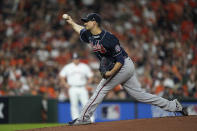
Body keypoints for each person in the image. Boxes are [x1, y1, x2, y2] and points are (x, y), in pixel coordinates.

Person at [63, 13, 188, 125]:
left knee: (101, 89)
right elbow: (79, 30)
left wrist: (110, 73)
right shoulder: (89, 34)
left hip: (122, 66)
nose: (85, 23)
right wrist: (70, 21)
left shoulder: (108, 38)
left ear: (94, 22)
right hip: (121, 66)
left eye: (87, 21)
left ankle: (84, 117)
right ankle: (173, 105)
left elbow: (120, 60)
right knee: (140, 95)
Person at [59, 52, 94, 121]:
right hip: (72, 88)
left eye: (77, 58)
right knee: (74, 105)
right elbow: (61, 76)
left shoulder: (84, 66)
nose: (76, 60)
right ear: (72, 59)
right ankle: (75, 120)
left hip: (83, 87)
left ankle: (91, 119)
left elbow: (91, 76)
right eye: (75, 59)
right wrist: (65, 84)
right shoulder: (68, 67)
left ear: (79, 59)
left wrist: (87, 84)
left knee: (86, 104)